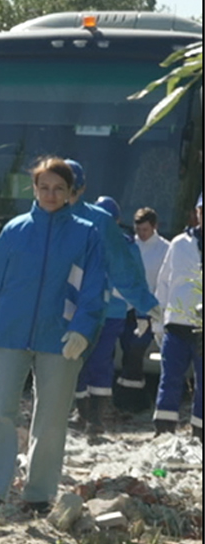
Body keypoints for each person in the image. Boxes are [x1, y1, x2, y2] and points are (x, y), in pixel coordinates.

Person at [0, 157, 106, 518]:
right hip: (9, 335)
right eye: (44, 187)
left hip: (60, 339)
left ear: (71, 193)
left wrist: (82, 330)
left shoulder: (86, 234)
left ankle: (39, 495)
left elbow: (94, 289)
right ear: (34, 189)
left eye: (59, 188)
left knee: (51, 419)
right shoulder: (15, 229)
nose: (50, 194)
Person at [63, 163, 158, 437]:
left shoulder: (114, 237)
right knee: (83, 364)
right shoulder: (49, 222)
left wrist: (144, 306)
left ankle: (92, 417)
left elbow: (129, 275)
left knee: (94, 363)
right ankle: (83, 415)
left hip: (106, 312)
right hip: (82, 309)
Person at [153, 195, 202, 439]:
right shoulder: (179, 244)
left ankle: (200, 433)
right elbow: (163, 282)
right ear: (197, 212)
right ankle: (163, 431)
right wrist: (157, 321)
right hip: (177, 323)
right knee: (170, 378)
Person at [116, 206, 168, 405]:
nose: (141, 234)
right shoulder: (129, 245)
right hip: (126, 307)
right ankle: (131, 395)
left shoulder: (165, 248)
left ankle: (130, 397)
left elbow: (164, 280)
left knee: (137, 350)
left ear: (154, 227)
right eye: (138, 230)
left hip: (149, 309)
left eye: (145, 230)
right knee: (127, 350)